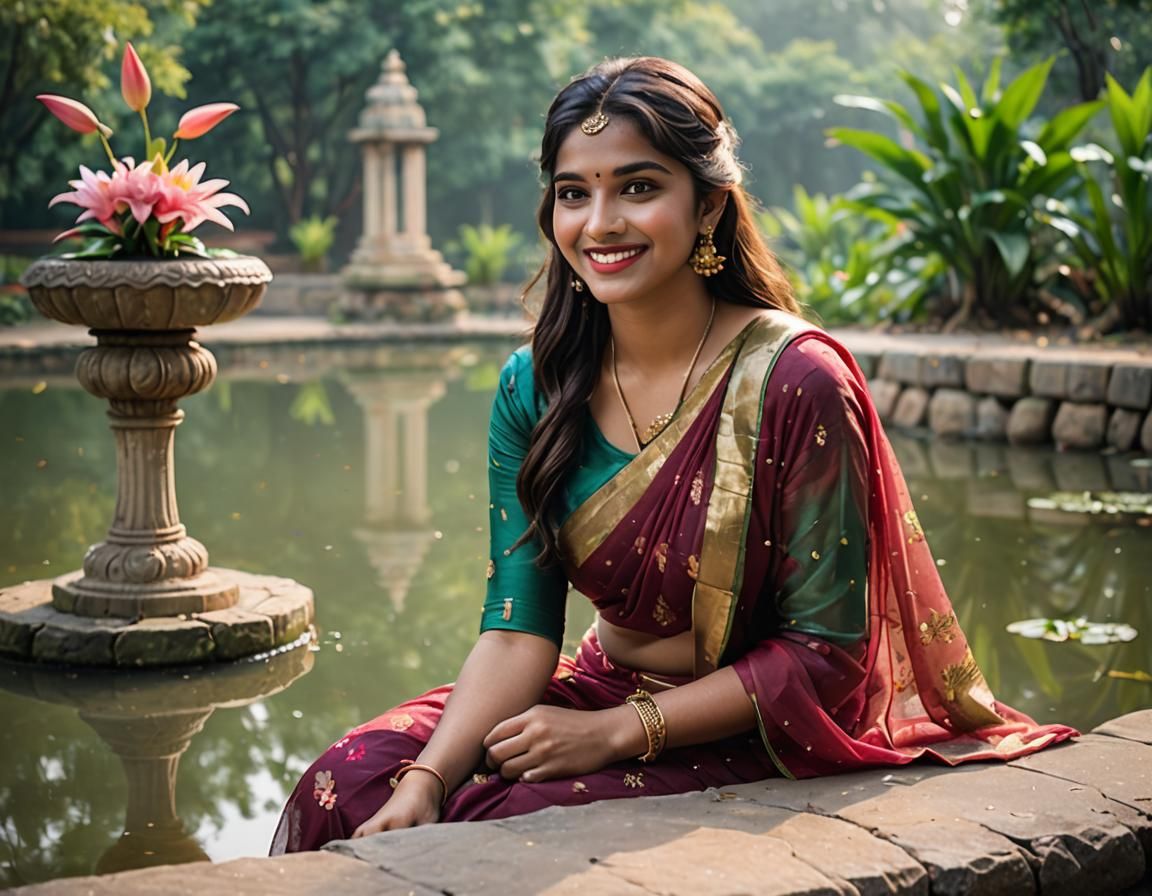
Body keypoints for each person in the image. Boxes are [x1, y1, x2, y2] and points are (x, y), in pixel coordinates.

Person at [271, 56, 1075, 853]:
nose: (600, 223)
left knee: (511, 827)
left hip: (756, 719)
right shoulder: (538, 386)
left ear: (710, 206)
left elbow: (826, 658)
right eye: (573, 193)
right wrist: (429, 779)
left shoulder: (794, 382)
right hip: (599, 687)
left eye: (640, 187)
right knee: (351, 780)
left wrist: (623, 733)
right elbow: (517, 631)